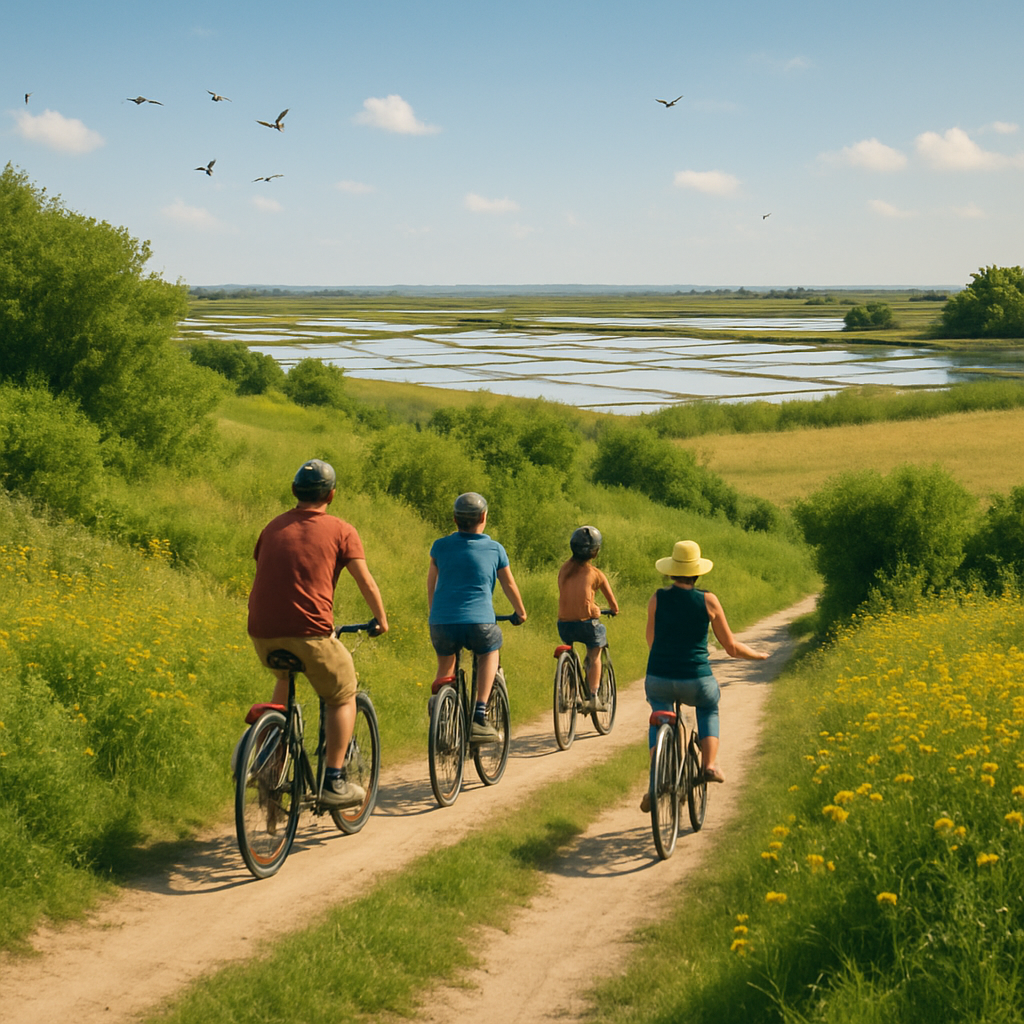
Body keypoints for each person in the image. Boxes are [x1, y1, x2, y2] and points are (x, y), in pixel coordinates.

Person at [247, 458, 389, 808]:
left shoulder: (272, 527)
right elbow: (365, 581)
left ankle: (272, 757)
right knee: (343, 693)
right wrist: (381, 619)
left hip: (262, 634)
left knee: (285, 675)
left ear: (295, 491)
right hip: (310, 633)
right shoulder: (342, 530)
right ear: (332, 495)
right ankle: (334, 780)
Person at [641, 540, 766, 808]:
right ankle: (709, 765)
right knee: (708, 708)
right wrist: (757, 655)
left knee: (658, 718)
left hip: (659, 678)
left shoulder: (657, 598)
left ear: (672, 571)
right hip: (697, 680)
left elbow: (651, 641)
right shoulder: (708, 600)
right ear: (698, 572)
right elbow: (731, 647)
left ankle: (655, 782)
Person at [427, 492, 527, 742]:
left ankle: (441, 711)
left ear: (454, 519)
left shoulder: (440, 546)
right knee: (490, 650)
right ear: (483, 517)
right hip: (479, 622)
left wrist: (435, 614)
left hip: (442, 621)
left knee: (446, 666)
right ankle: (480, 715)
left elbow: (432, 585)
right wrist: (520, 612)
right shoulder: (495, 549)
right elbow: (509, 585)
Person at [556, 525, 620, 711]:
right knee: (594, 654)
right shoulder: (596, 575)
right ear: (595, 552)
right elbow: (614, 606)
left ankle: (570, 690)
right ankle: (593, 696)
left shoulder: (564, 570)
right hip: (586, 624)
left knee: (571, 646)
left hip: (564, 624)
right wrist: (605, 610)